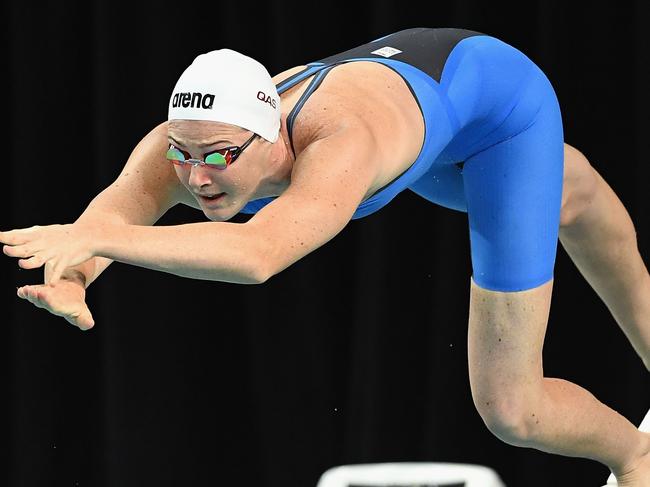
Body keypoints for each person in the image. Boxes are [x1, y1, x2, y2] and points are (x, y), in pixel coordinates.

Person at [1, 27, 649, 485]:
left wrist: (100, 242)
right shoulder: (189, 143)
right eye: (183, 155)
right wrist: (76, 277)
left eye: (220, 157)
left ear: (271, 134)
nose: (196, 178)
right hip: (426, 113)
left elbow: (259, 253)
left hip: (500, 111)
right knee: (571, 191)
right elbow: (106, 219)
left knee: (512, 407)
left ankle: (634, 457)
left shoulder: (341, 143)